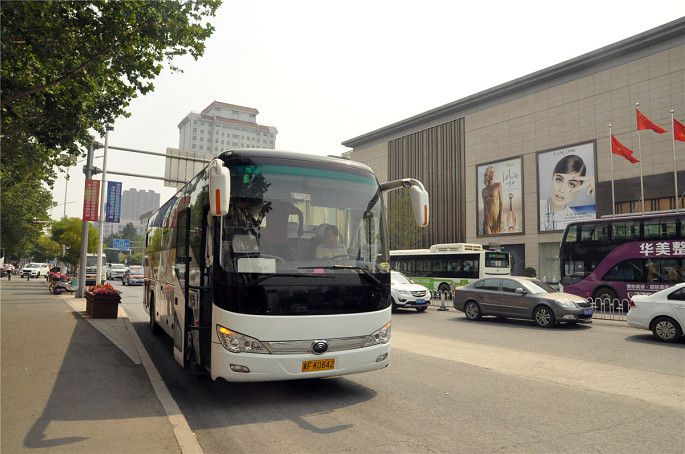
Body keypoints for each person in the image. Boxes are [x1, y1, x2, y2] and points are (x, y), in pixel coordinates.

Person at [541, 154, 595, 230]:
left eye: (571, 184)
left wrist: (598, 191)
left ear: (578, 190)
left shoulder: (575, 221)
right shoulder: (534, 207)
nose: (562, 189)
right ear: (552, 178)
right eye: (559, 179)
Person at [481, 165, 503, 234]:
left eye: (493, 172)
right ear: (487, 174)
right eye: (490, 172)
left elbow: (501, 203)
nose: (492, 174)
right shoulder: (483, 190)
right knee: (488, 238)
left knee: (495, 239)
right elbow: (485, 207)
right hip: (487, 220)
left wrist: (500, 218)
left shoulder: (498, 185)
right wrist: (485, 220)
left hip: (496, 219)